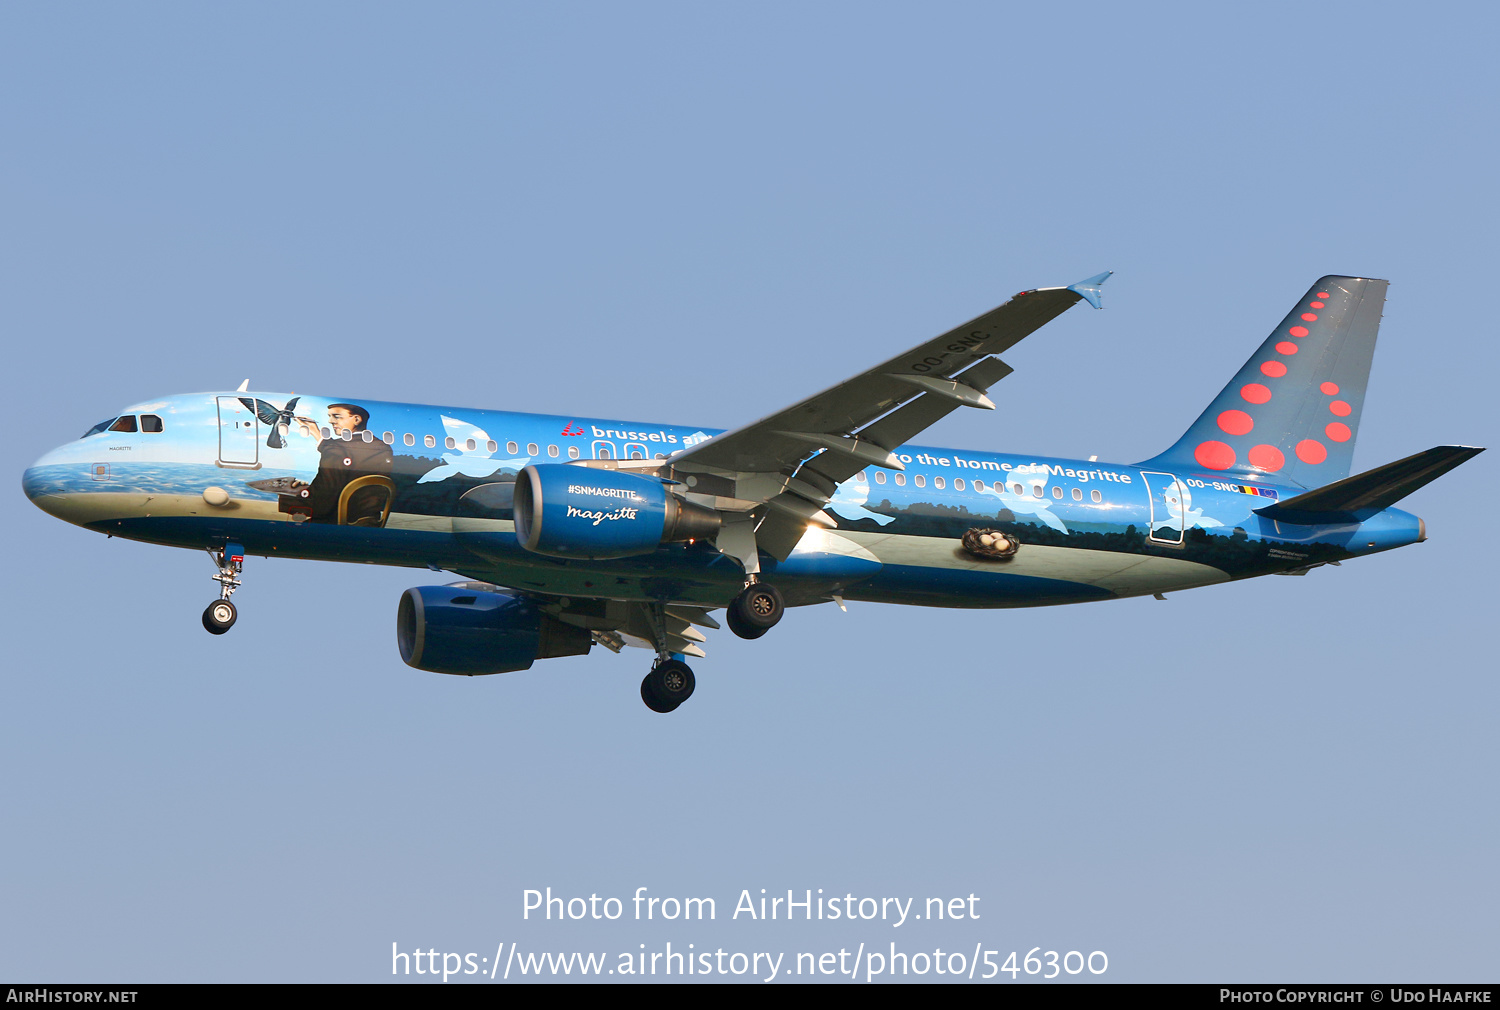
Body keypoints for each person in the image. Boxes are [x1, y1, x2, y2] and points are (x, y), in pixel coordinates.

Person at [283, 403, 394, 524]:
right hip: (369, 523)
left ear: (356, 419)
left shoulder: (336, 450)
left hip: (333, 524)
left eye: (337, 416)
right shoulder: (383, 447)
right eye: (330, 416)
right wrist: (315, 431)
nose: (330, 421)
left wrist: (292, 493)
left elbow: (323, 504)